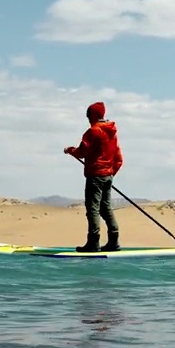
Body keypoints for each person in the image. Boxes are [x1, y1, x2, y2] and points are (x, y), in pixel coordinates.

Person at [64, 101, 123, 252]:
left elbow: (81, 152)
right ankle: (114, 242)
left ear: (94, 115)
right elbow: (118, 159)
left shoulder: (93, 132)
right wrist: (109, 174)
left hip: (95, 176)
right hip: (107, 175)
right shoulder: (112, 133)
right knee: (106, 208)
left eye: (88, 115)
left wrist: (70, 150)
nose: (87, 118)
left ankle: (93, 243)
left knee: (93, 209)